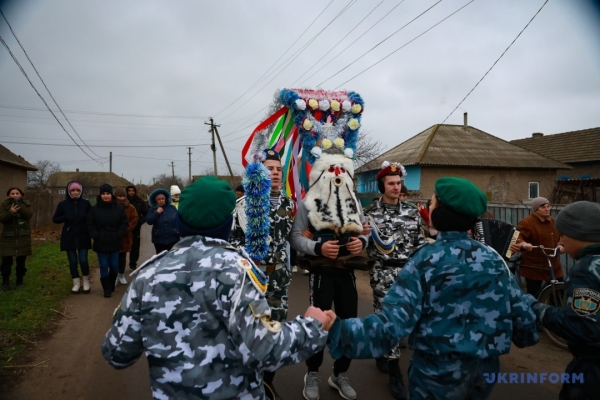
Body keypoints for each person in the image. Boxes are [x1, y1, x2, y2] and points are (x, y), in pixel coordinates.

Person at [102, 176, 335, 400]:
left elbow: (117, 353)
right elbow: (265, 350)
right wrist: (311, 326)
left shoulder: (148, 275)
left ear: (180, 221)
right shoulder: (238, 272)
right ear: (227, 224)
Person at [327, 177, 539, 400]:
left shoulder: (425, 260)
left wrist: (336, 332)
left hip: (436, 376)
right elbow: (524, 323)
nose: (428, 206)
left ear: (440, 212)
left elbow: (391, 326)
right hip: (483, 374)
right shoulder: (494, 259)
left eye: (432, 202)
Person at [290, 152, 369, 400]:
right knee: (318, 324)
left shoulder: (355, 203)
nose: (337, 174)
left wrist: (361, 242)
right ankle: (311, 372)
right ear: (320, 175)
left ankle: (339, 374)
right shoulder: (307, 204)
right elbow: (295, 237)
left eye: (341, 170)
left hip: (347, 273)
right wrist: (317, 248)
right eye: (331, 170)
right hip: (321, 273)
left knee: (348, 325)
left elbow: (366, 233)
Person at [229, 149, 295, 398]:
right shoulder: (244, 205)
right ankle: (246, 382)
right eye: (270, 169)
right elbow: (232, 240)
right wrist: (246, 254)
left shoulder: (290, 205)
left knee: (275, 332)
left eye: (278, 169)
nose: (275, 173)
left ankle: (267, 383)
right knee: (248, 333)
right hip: (251, 282)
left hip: (278, 282)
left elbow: (292, 238)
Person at [526, 201, 600, 400]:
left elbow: (582, 326)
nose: (561, 241)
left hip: (593, 372)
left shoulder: (588, 269)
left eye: (564, 235)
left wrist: (534, 306)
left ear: (580, 235)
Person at [364, 161, 425, 399]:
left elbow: (419, 245)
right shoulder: (370, 215)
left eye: (399, 183)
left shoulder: (412, 212)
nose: (396, 187)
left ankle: (382, 349)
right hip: (383, 274)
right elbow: (364, 245)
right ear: (382, 186)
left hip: (408, 275)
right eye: (391, 183)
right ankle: (394, 373)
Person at [509, 197, 564, 297]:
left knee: (559, 292)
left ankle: (556, 310)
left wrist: (561, 245)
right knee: (534, 295)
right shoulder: (527, 223)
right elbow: (517, 237)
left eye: (548, 206)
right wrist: (523, 244)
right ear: (535, 209)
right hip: (534, 265)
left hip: (552, 263)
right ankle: (533, 311)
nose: (547, 209)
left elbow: (562, 236)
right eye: (543, 207)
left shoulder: (554, 222)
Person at [87, 184, 128, 298]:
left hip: (115, 240)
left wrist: (119, 234)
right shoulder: (94, 209)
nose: (105, 196)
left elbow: (124, 223)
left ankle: (111, 283)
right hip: (101, 241)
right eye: (103, 194)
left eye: (108, 194)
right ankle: (107, 288)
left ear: (111, 195)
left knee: (114, 266)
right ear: (100, 195)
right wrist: (96, 235)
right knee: (104, 265)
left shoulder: (119, 209)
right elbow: (89, 225)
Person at [52, 181, 92, 294]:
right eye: (73, 190)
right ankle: (76, 283)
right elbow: (55, 219)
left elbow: (91, 218)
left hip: (83, 235)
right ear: (69, 192)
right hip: (69, 236)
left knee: (83, 260)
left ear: (81, 191)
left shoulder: (86, 204)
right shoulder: (63, 204)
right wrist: (66, 216)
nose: (75, 192)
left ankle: (86, 281)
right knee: (73, 261)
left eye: (77, 190)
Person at [1, 187, 33, 290]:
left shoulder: (26, 204)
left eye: (17, 193)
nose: (15, 195)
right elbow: (2, 219)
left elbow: (28, 215)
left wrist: (20, 207)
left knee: (21, 261)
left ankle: (20, 280)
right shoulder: (4, 205)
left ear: (21, 195)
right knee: (6, 261)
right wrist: (10, 212)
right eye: (12, 193)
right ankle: (5, 282)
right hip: (8, 237)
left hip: (22, 236)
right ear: (9, 195)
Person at [114, 187, 138, 287]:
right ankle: (114, 275)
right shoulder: (111, 206)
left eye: (123, 196)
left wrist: (124, 229)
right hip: (113, 236)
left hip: (125, 236)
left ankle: (121, 274)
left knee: (123, 257)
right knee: (113, 257)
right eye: (119, 196)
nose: (122, 198)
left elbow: (134, 219)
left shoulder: (130, 207)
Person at [146, 188, 179, 254]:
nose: (161, 201)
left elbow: (178, 219)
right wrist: (157, 213)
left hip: (173, 238)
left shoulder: (172, 208)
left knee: (173, 259)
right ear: (155, 201)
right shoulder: (153, 209)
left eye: (162, 199)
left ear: (165, 199)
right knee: (161, 259)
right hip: (159, 240)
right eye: (159, 199)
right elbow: (149, 221)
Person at [126, 185, 148, 270]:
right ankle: (120, 265)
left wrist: (140, 222)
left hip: (136, 227)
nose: (131, 192)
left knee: (135, 247)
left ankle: (133, 263)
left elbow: (146, 214)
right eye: (129, 190)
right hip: (124, 227)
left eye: (132, 190)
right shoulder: (123, 201)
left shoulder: (140, 202)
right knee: (123, 246)